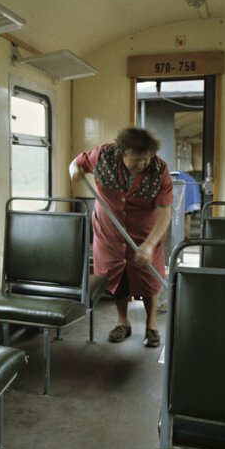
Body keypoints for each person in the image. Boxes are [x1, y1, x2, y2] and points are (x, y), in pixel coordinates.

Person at [69, 127, 172, 347]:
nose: (142, 164)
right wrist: (74, 170)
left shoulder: (159, 169)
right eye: (137, 160)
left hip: (145, 232)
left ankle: (151, 326)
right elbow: (76, 162)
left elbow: (165, 210)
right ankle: (122, 322)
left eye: (146, 159)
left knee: (148, 280)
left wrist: (150, 244)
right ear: (122, 153)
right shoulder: (103, 156)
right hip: (109, 232)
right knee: (117, 278)